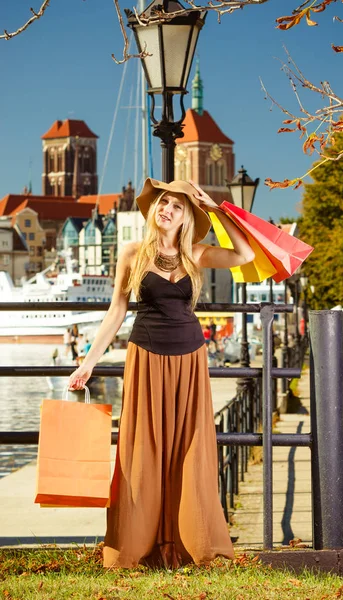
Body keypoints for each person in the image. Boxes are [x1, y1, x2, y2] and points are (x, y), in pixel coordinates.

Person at [68, 178, 255, 569]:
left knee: (191, 449)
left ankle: (192, 542)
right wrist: (88, 361)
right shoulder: (133, 252)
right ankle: (139, 543)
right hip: (145, 357)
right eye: (163, 203)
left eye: (177, 205)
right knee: (143, 450)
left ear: (187, 216)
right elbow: (116, 312)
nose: (166, 209)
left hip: (190, 359)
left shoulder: (196, 253)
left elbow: (244, 253)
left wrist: (218, 209)